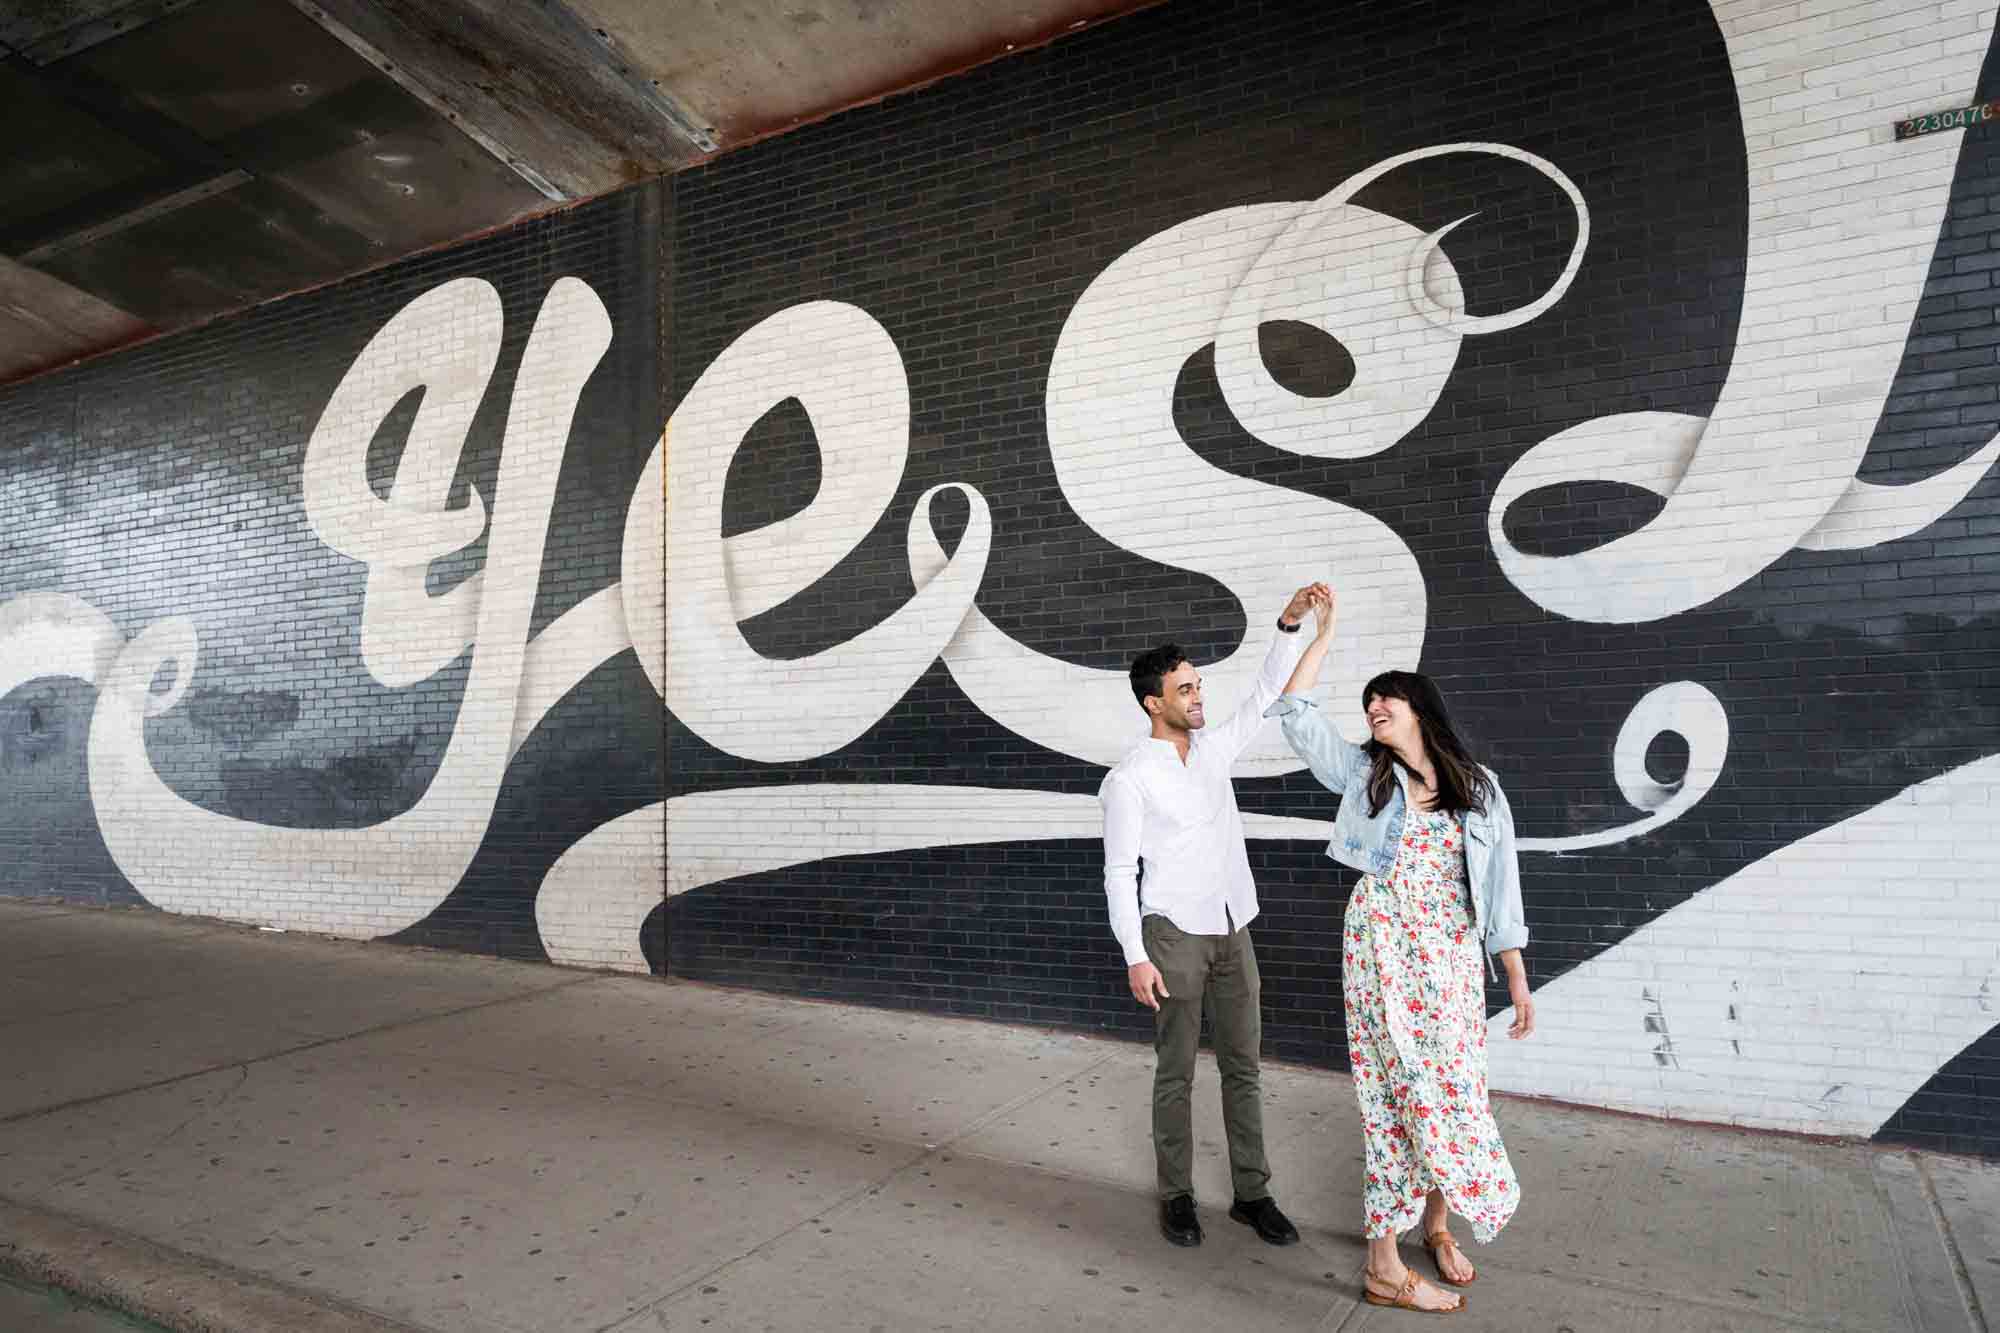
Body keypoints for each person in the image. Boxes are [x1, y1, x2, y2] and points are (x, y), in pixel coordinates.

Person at [1265, 586, 1534, 1316]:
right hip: (1380, 951)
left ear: (1420, 709)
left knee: (1453, 1090)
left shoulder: (1480, 791)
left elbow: (1501, 889)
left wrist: (1514, 974)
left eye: (1387, 700)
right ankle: (1385, 1264)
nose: (1374, 709)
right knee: (1395, 1094)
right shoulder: (1365, 775)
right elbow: (1294, 712)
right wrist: (1320, 630)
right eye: (1368, 703)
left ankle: (1438, 1229)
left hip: (1448, 962)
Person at [1100, 582, 1326, 1249]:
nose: (1199, 697)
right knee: (1177, 1070)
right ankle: (1177, 1194)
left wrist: (1288, 624)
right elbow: (1119, 872)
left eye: (1199, 686)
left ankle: (1252, 1193)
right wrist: (1134, 954)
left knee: (1244, 1066)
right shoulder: (1129, 778)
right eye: (1186, 690)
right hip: (1172, 936)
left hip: (1234, 929)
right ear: (1154, 702)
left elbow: (1265, 691)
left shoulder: (1214, 751)